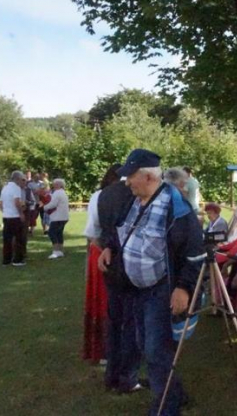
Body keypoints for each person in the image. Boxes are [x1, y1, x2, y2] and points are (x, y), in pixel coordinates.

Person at [107, 148, 204, 415]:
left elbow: (195, 252)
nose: (126, 181)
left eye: (131, 176)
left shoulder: (178, 208)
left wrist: (184, 287)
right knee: (143, 344)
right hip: (135, 287)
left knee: (155, 349)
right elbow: (121, 229)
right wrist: (110, 247)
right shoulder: (133, 200)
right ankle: (176, 393)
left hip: (161, 288)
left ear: (148, 177)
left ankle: (166, 408)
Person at [95, 164, 139, 393]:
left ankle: (112, 373)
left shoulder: (103, 194)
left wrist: (106, 248)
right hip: (130, 262)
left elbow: (97, 231)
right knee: (130, 322)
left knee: (114, 320)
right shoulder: (134, 193)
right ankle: (127, 377)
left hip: (111, 260)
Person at [82, 167, 117, 364]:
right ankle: (104, 350)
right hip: (104, 250)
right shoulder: (102, 196)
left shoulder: (99, 195)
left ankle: (108, 349)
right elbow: (94, 230)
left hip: (102, 248)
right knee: (103, 301)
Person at [0, 171, 27, 266]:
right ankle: (17, 260)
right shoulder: (16, 188)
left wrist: (5, 212)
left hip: (6, 216)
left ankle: (6, 260)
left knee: (7, 239)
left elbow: (1, 203)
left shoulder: (5, 188)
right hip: (14, 216)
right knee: (19, 238)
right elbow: (17, 202)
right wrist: (21, 213)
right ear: (17, 179)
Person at [43, 178, 69, 259]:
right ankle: (61, 250)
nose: (53, 185)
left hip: (58, 217)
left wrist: (44, 207)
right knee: (59, 233)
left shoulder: (57, 193)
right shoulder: (63, 193)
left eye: (55, 184)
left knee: (52, 233)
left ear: (58, 185)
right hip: (64, 217)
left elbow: (53, 204)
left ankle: (56, 251)